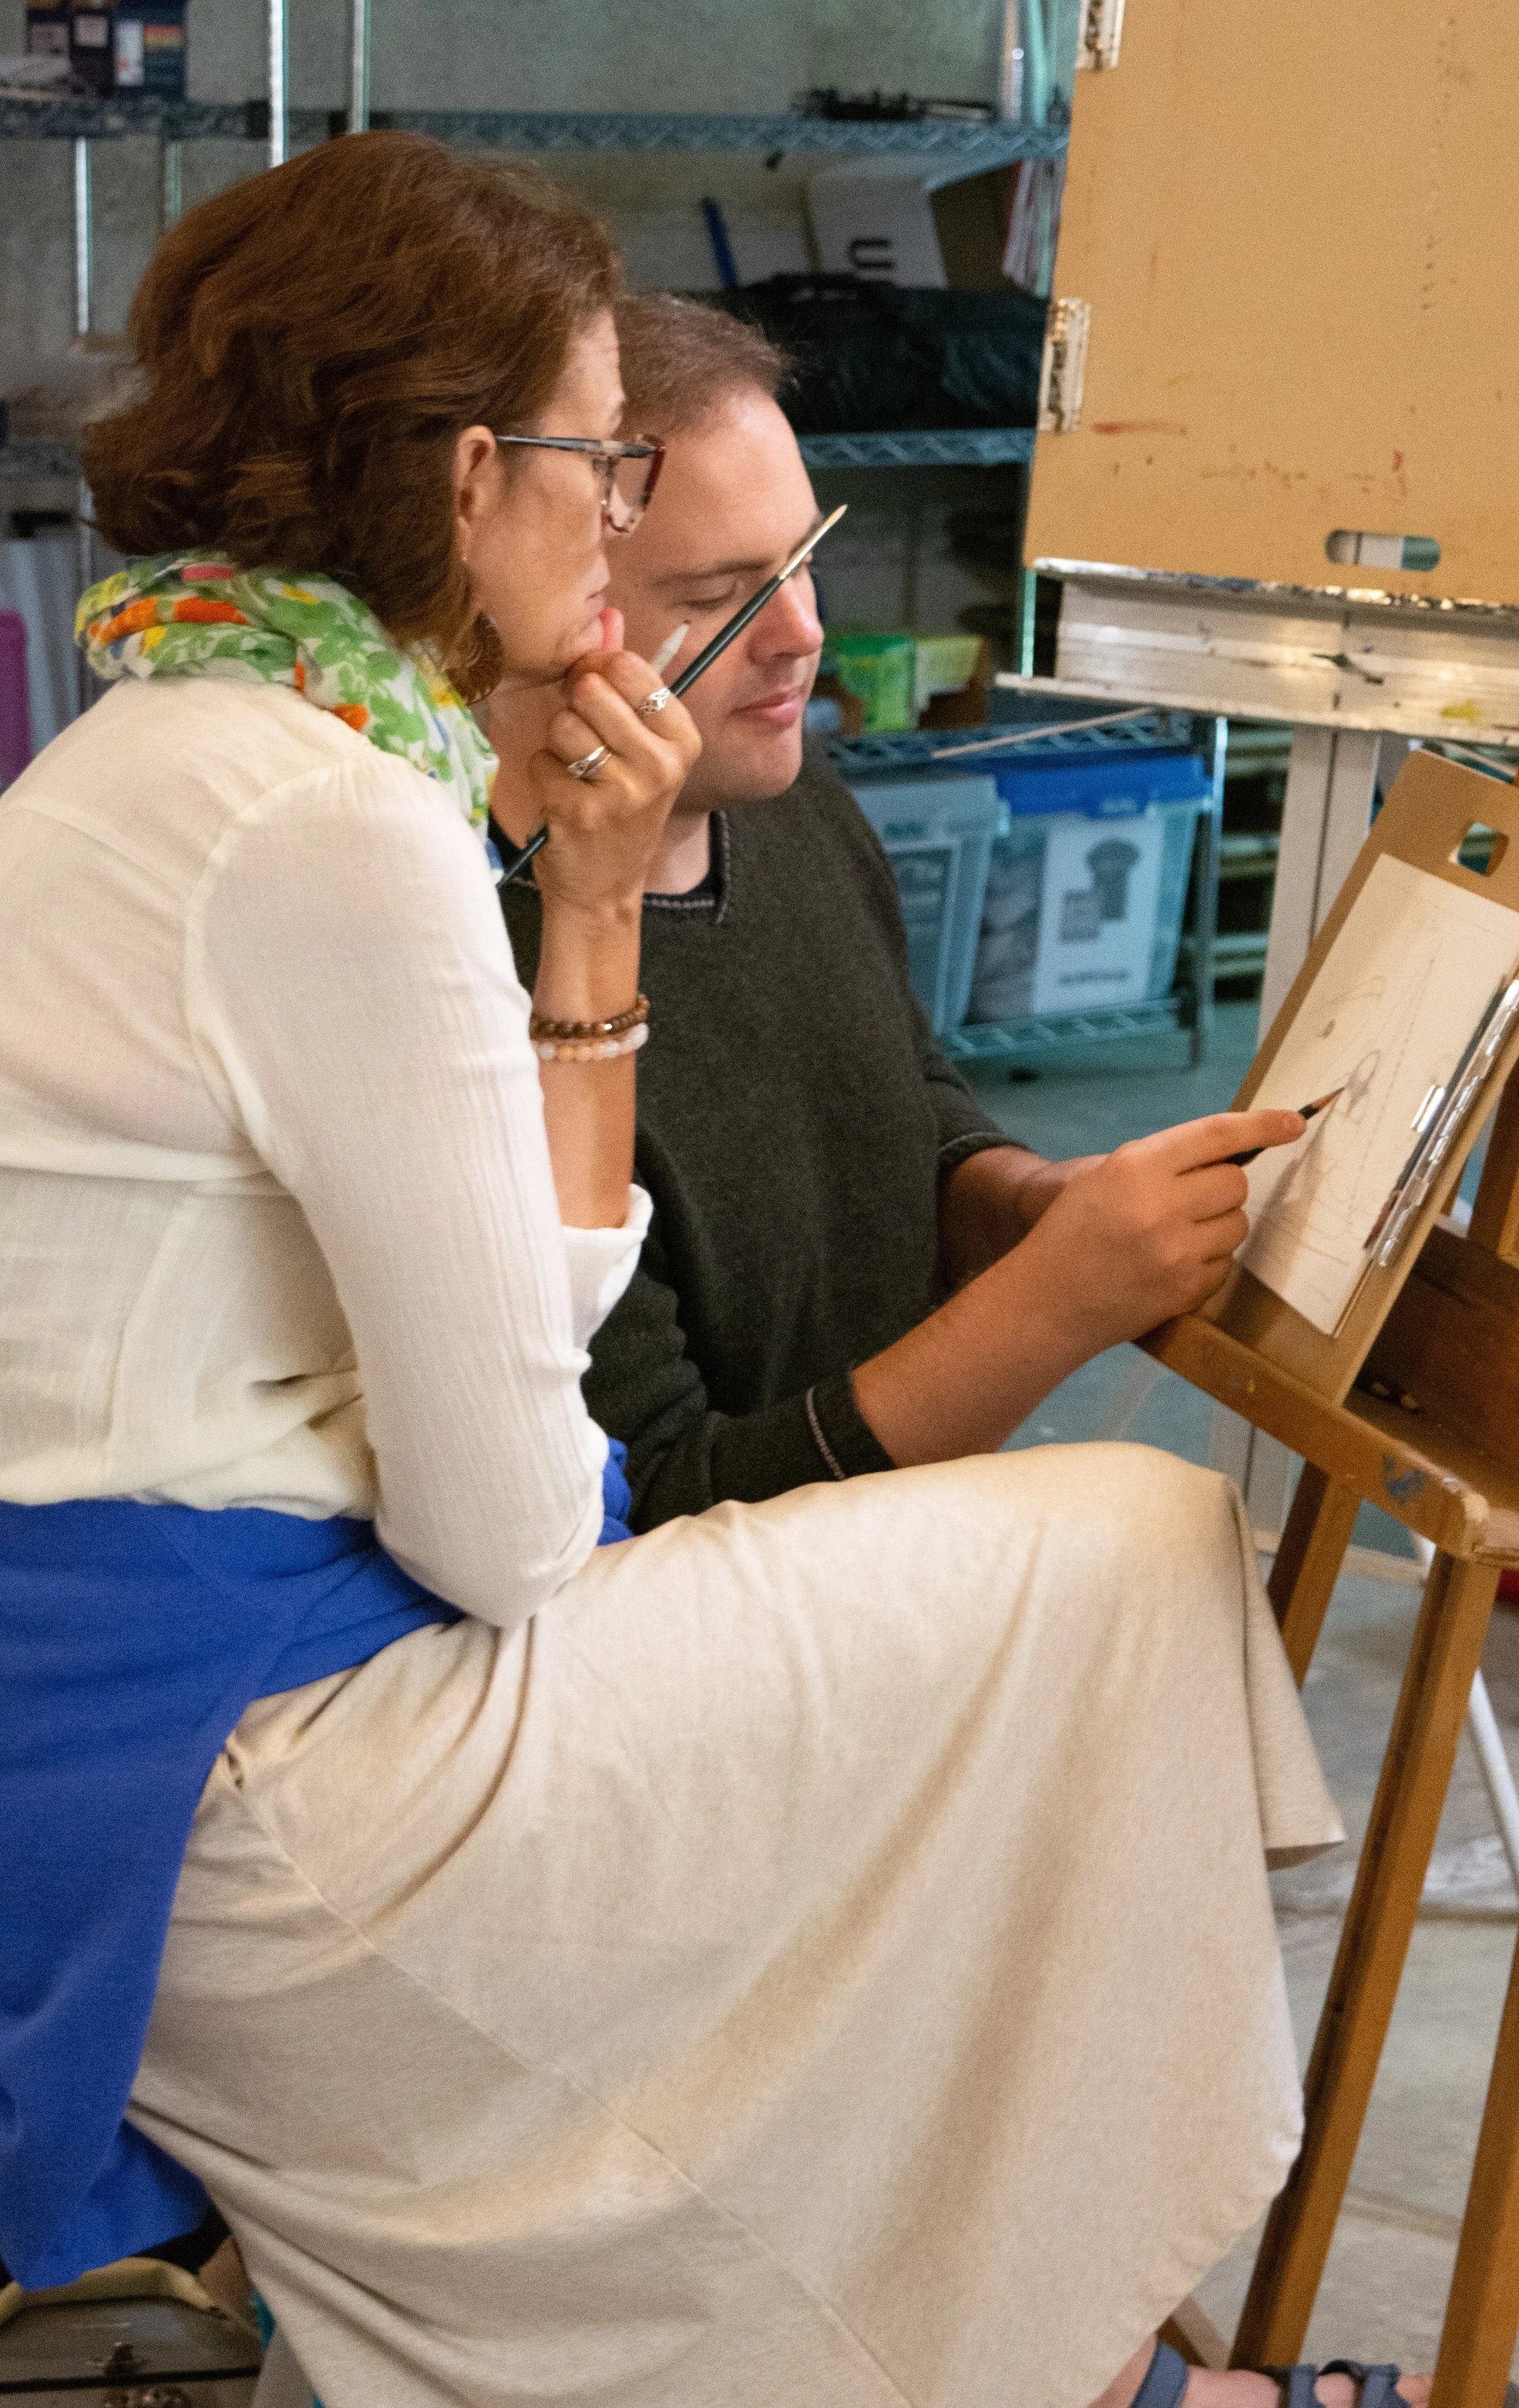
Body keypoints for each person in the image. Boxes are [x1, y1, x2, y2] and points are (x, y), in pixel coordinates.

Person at [0, 129, 1444, 2408]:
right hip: (249, 1759)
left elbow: (553, 1359)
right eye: (598, 471)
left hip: (131, 1726)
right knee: (1130, 1546)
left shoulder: (178, 738)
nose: (615, 539)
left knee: (1006, 1668)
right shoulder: (341, 830)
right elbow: (521, 1528)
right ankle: (1090, 2348)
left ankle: (1070, 2333)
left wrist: (589, 921)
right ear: (477, 477)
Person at [486, 294, 1276, 1530]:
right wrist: (1055, 1304)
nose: (803, 636)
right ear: (545, 599)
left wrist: (1025, 1203)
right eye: (722, 593)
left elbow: (903, 1107)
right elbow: (666, 1503)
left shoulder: (794, 810)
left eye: (802, 563)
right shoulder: (485, 970)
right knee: (1170, 1541)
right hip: (689, 1637)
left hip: (874, 1557)